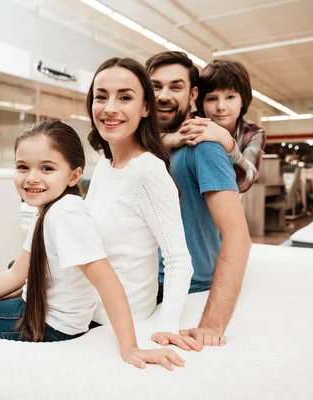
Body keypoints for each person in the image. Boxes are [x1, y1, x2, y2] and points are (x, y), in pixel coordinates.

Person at [0, 120, 185, 371]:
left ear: (73, 175)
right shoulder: (51, 208)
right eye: (23, 167)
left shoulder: (66, 217)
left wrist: (130, 348)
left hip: (52, 327)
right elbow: (15, 274)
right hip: (39, 312)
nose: (32, 178)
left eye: (47, 168)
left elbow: (107, 282)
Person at [84, 57, 201, 352]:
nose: (110, 107)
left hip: (113, 324)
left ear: (145, 108)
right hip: (81, 310)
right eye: (101, 96)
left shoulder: (147, 172)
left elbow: (178, 260)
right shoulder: (104, 164)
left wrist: (167, 327)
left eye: (125, 97)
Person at [146, 51, 252, 346]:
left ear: (193, 94)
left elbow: (238, 236)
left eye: (175, 87)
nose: (164, 95)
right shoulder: (144, 146)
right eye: (155, 86)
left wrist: (211, 325)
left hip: (178, 285)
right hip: (139, 278)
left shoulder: (204, 146)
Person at [171, 59, 266, 194]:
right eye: (212, 99)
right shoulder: (190, 122)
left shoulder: (254, 133)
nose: (221, 107)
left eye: (230, 97)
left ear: (243, 101)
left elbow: (244, 183)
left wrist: (228, 143)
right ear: (201, 102)